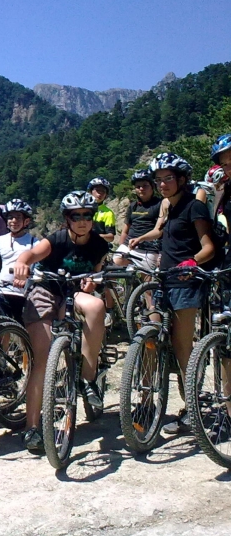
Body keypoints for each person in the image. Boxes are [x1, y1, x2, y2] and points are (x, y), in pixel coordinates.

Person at [13, 191, 109, 455]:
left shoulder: (99, 244)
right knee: (42, 359)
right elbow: (28, 256)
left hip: (73, 292)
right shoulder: (55, 239)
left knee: (97, 306)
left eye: (86, 216)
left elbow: (98, 272)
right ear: (67, 219)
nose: (81, 221)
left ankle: (86, 379)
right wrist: (22, 265)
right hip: (45, 290)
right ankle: (32, 427)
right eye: (75, 216)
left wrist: (94, 280)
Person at [128, 153, 215, 434]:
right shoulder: (167, 207)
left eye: (168, 179)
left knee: (182, 348)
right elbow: (160, 232)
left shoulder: (194, 207)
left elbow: (208, 247)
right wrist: (140, 239)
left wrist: (192, 262)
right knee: (149, 336)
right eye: (159, 179)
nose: (162, 184)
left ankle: (193, 408)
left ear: (181, 180)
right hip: (164, 279)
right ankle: (146, 402)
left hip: (187, 283)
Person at [0, 199, 39, 323]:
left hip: (23, 294)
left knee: (26, 330)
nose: (14, 221)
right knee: (1, 327)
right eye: (10, 217)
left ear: (26, 221)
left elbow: (39, 268)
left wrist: (27, 278)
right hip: (0, 291)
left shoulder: (35, 243)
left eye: (18, 217)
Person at [112, 170, 161, 271]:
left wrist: (162, 253)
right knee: (114, 265)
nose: (141, 189)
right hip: (128, 246)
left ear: (152, 186)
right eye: (138, 187)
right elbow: (125, 230)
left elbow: (163, 230)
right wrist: (121, 246)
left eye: (145, 185)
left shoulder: (160, 204)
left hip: (149, 249)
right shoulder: (133, 206)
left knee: (146, 283)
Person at [87, 177, 116, 243]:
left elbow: (111, 237)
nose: (100, 194)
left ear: (106, 195)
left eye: (103, 191)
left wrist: (95, 236)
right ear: (90, 192)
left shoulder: (108, 213)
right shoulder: (82, 209)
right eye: (97, 190)